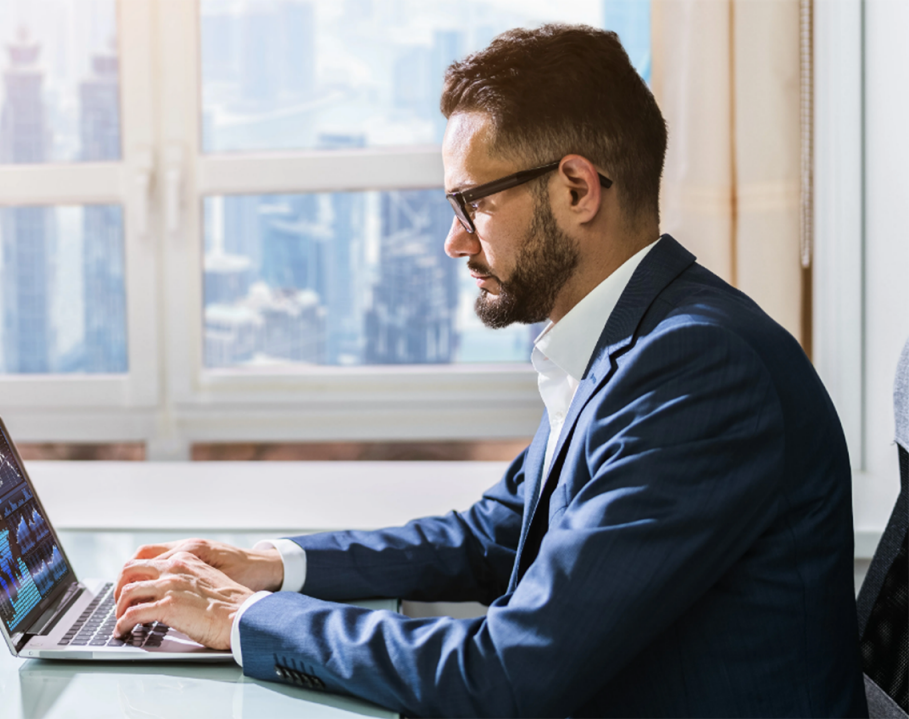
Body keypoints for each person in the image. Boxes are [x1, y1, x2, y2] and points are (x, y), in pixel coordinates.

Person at [112, 24, 867, 719]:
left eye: (471, 202)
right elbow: (493, 535)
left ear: (576, 189)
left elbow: (508, 671)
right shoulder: (633, 337)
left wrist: (237, 615)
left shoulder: (697, 370)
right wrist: (273, 564)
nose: (454, 241)